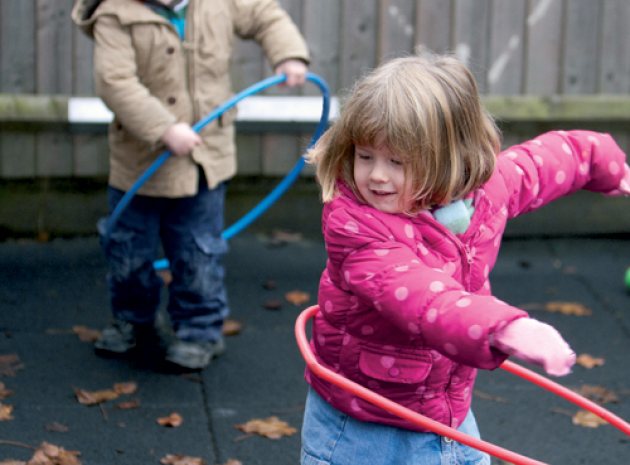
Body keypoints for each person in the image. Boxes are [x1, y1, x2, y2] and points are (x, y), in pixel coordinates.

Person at [300, 51, 630, 465]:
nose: (377, 175)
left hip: (445, 407)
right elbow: (422, 298)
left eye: (397, 161)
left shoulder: (484, 193)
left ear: (449, 158)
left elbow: (543, 163)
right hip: (364, 424)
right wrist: (503, 328)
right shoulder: (356, 226)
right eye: (365, 156)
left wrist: (605, 164)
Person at [71, 0, 310, 370]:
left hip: (204, 164)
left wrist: (289, 55)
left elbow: (265, 15)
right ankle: (134, 323)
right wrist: (163, 128)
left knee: (198, 253)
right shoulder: (114, 14)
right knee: (128, 255)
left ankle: (199, 332)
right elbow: (114, 82)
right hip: (139, 167)